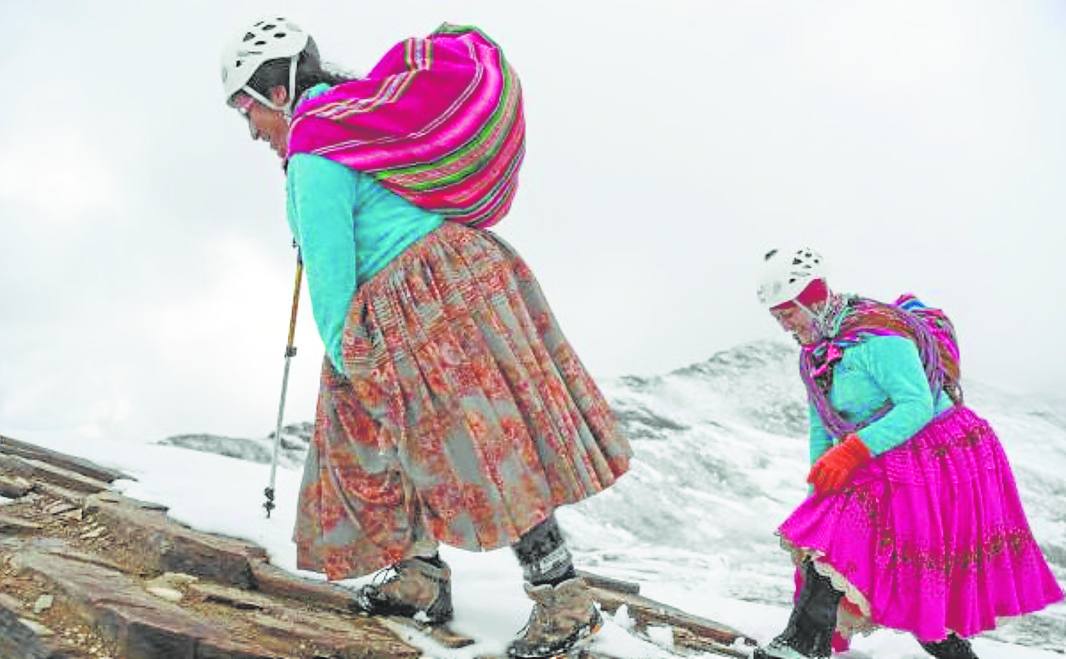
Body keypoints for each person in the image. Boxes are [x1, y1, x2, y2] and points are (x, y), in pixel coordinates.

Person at [219, 17, 632, 658]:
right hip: (464, 276)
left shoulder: (313, 148)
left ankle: (562, 600)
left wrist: (344, 353)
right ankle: (422, 575)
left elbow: (332, 268)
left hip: (414, 304)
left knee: (449, 439)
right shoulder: (359, 117)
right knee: (463, 434)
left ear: (277, 92)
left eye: (250, 111)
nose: (253, 132)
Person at [752, 247, 1063, 659]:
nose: (784, 325)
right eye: (777, 317)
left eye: (786, 314)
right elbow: (821, 425)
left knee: (894, 553)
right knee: (852, 540)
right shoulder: (813, 355)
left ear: (810, 300)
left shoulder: (878, 338)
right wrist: (821, 486)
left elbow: (915, 405)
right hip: (887, 452)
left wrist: (851, 454)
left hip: (940, 451)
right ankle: (819, 641)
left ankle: (803, 644)